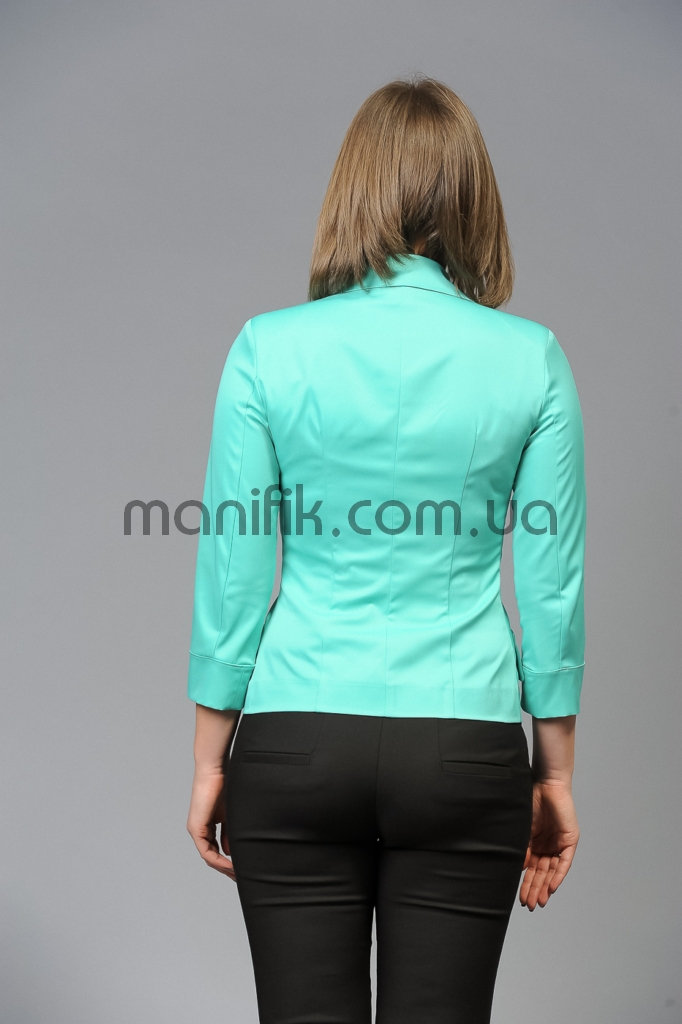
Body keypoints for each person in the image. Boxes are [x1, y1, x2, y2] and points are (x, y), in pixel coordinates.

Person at [186, 76, 585, 1024]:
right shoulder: (531, 358)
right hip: (464, 746)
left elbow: (233, 572)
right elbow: (551, 587)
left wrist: (209, 764)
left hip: (295, 743)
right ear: (474, 198)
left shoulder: (267, 349)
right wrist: (556, 774)